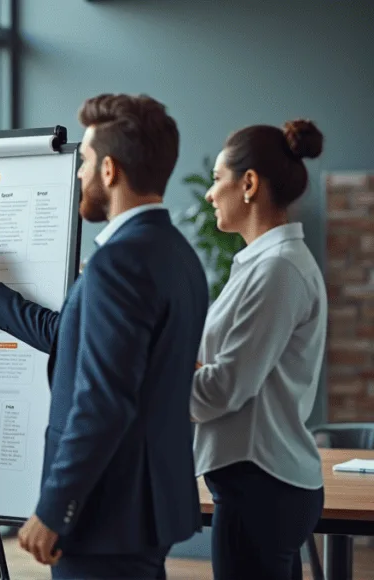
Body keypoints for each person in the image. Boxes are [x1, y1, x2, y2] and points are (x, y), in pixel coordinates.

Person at [0, 94, 209, 579]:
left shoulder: (118, 263)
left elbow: (102, 402)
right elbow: (74, 338)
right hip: (146, 509)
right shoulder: (177, 256)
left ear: (109, 170)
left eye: (85, 162)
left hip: (104, 513)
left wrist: (55, 508)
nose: (79, 175)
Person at [191, 120, 327, 580]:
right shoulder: (263, 264)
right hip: (257, 484)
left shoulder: (279, 271)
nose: (210, 194)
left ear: (248, 184)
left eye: (216, 179)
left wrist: (157, 373)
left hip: (262, 488)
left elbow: (223, 388)